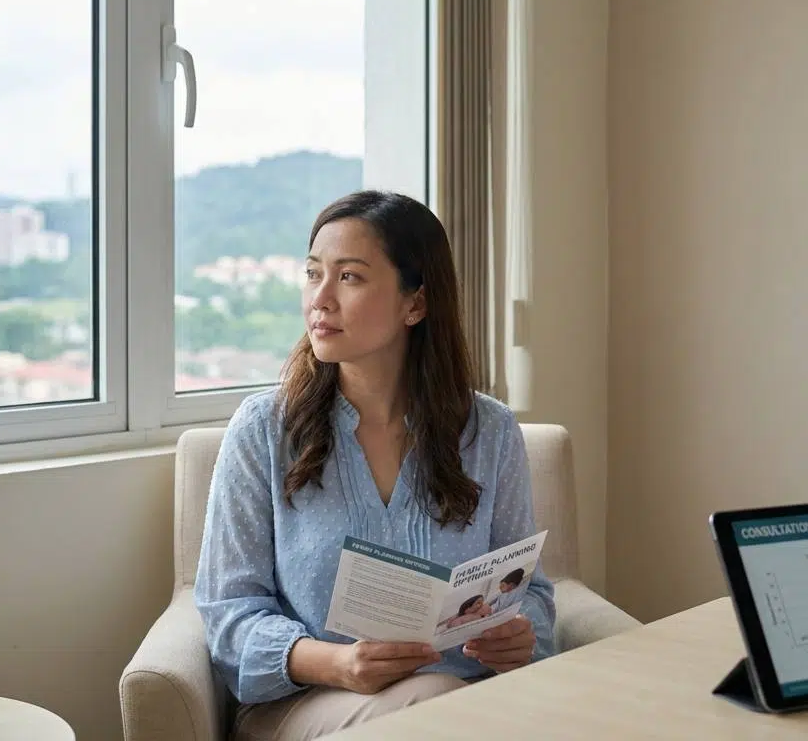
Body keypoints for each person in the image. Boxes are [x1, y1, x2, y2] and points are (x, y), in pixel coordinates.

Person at [194, 190, 558, 740]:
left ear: (415, 303)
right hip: (313, 701)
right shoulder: (264, 430)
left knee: (445, 703)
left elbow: (529, 591)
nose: (320, 298)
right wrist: (336, 664)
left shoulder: (490, 431)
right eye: (313, 273)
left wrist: (519, 631)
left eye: (350, 278)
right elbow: (230, 616)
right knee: (438, 708)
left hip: (465, 702)